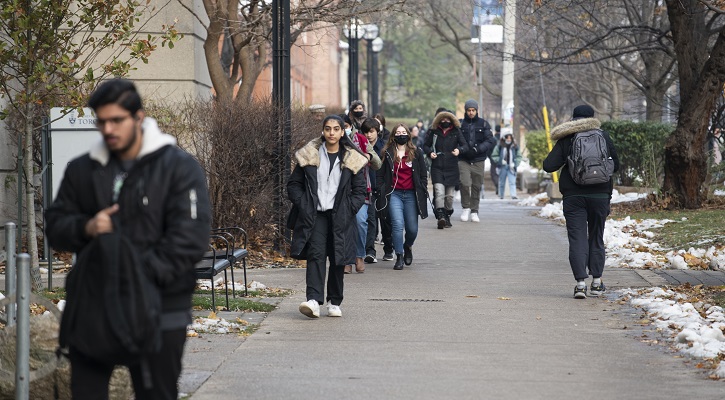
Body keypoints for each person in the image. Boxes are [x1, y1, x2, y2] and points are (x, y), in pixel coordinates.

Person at [45, 78, 212, 399]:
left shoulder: (178, 167)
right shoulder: (84, 169)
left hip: (159, 308)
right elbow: (56, 227)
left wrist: (139, 275)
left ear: (138, 117)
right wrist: (88, 227)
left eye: (117, 120)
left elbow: (190, 238)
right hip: (94, 306)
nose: (108, 129)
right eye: (102, 121)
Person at [287, 115, 367, 317]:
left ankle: (334, 302)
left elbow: (359, 191)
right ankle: (313, 300)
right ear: (323, 131)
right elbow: (294, 185)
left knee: (338, 257)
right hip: (316, 214)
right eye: (328, 128)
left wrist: (349, 209)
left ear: (342, 132)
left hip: (341, 214)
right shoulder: (310, 155)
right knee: (316, 255)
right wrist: (305, 204)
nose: (331, 132)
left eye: (336, 129)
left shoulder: (352, 158)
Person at [543, 105, 620, 299]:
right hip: (600, 195)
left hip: (573, 197)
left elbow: (548, 166)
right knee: (596, 236)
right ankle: (596, 282)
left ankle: (580, 285)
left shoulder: (567, 138)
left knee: (577, 238)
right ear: (592, 118)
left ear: (573, 118)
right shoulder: (603, 136)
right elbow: (616, 165)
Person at [376, 124, 428, 270]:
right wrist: (381, 189)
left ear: (408, 135)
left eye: (403, 132)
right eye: (398, 132)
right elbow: (380, 174)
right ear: (393, 135)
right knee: (397, 225)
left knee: (412, 229)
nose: (401, 134)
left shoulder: (416, 152)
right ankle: (399, 255)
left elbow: (423, 174)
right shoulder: (387, 153)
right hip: (394, 194)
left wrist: (422, 187)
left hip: (411, 194)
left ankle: (408, 246)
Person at [422, 109, 468, 229]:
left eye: (448, 119)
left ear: (452, 120)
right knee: (439, 192)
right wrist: (430, 152)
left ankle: (447, 214)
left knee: (449, 196)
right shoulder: (434, 132)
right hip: (437, 167)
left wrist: (459, 150)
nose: (445, 121)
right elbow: (425, 145)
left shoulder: (456, 132)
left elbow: (465, 146)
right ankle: (441, 216)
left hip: (452, 167)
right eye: (443, 119)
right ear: (439, 120)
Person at [458, 99, 496, 223]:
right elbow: (455, 139)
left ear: (476, 110)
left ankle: (474, 211)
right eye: (469, 110)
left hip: (478, 159)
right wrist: (461, 149)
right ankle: (465, 208)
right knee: (464, 183)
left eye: (473, 110)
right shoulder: (460, 124)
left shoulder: (484, 124)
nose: (471, 112)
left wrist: (478, 149)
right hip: (463, 159)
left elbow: (490, 140)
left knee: (476, 186)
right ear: (465, 110)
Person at [359, 118, 384, 264]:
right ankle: (369, 251)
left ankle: (387, 246)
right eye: (366, 132)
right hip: (364, 188)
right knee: (369, 219)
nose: (368, 135)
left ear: (377, 132)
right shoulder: (359, 147)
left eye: (371, 131)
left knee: (383, 220)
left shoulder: (383, 147)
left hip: (380, 187)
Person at [492, 131, 522, 200]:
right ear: (504, 138)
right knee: (501, 182)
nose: (509, 139)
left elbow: (519, 156)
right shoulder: (499, 146)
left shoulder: (515, 146)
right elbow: (494, 155)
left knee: (512, 181)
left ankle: (513, 195)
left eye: (510, 138)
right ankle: (501, 195)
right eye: (507, 138)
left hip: (511, 167)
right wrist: (500, 161)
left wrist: (515, 163)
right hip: (502, 166)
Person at [489, 124, 502, 195]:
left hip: (493, 159)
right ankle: (500, 186)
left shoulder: (493, 139)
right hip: (503, 159)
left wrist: (490, 157)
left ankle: (498, 185)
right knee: (501, 173)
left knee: (493, 173)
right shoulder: (503, 138)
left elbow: (488, 150)